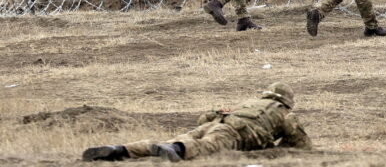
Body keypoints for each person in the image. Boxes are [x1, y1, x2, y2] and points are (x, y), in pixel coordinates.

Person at [82, 82, 311, 162]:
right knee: (203, 147)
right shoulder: (283, 112)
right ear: (287, 101)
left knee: (177, 139)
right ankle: (175, 149)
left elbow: (203, 119)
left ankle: (120, 149)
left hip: (218, 121)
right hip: (235, 132)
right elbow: (301, 145)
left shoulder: (249, 103)